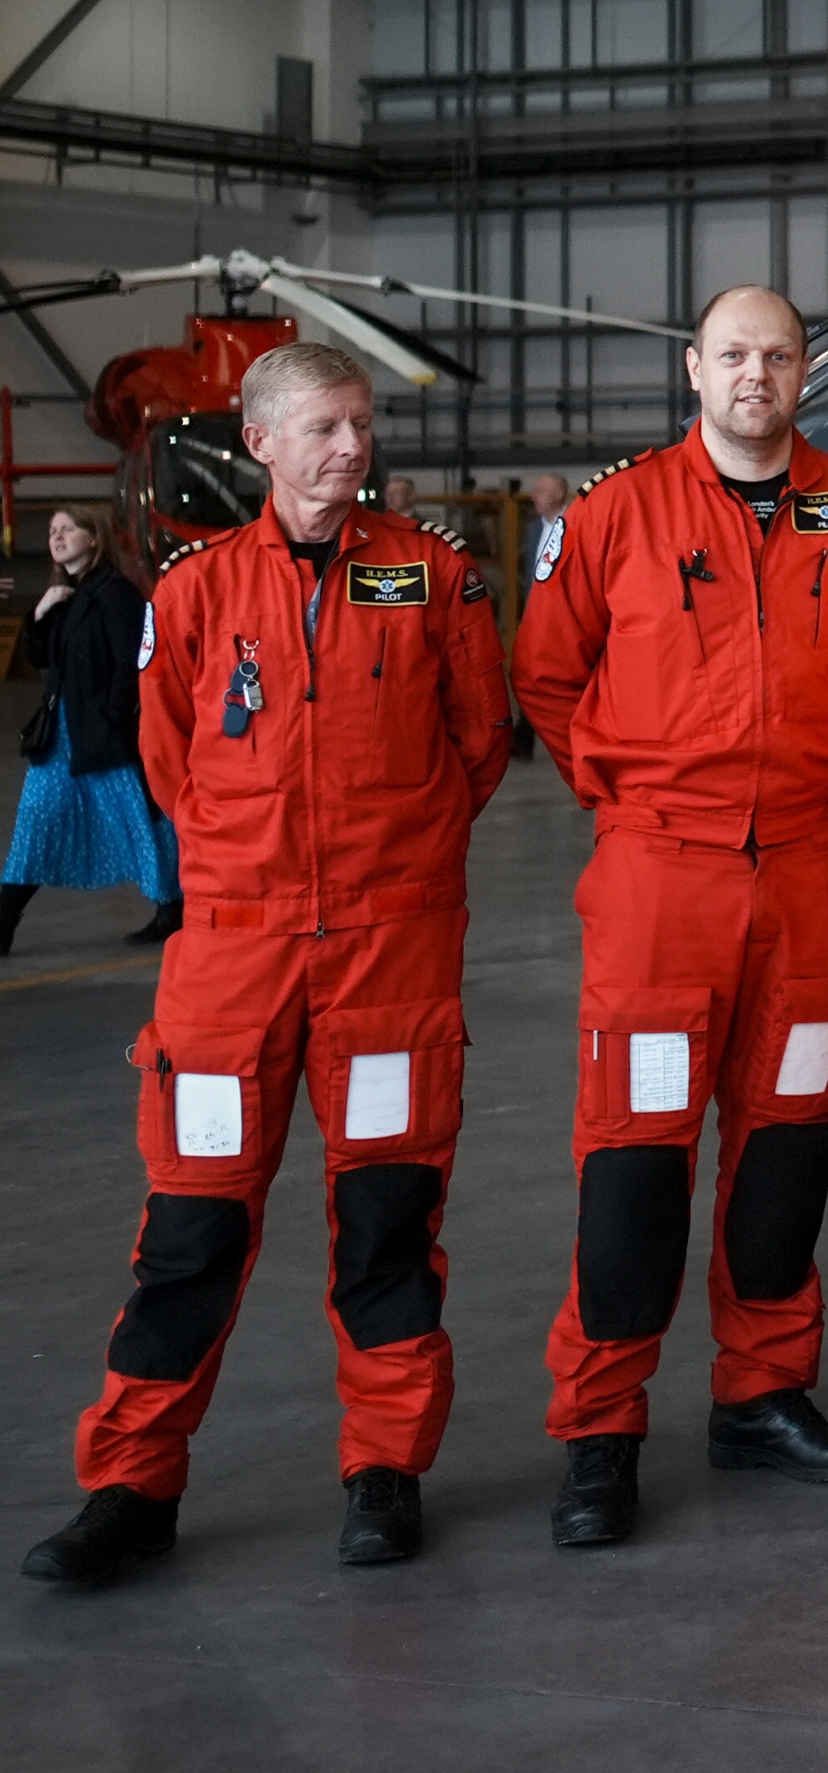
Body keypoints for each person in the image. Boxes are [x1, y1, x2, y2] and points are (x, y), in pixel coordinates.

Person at [21, 344, 510, 1586]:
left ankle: (384, 1471)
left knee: (386, 1227)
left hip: (391, 957)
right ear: (262, 445)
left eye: (361, 425)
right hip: (229, 963)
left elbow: (477, 745)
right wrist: (256, 876)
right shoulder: (189, 597)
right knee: (188, 1232)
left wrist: (383, 858)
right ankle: (129, 1485)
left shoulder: (433, 575)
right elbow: (172, 762)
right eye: (325, 428)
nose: (350, 447)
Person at [513, 287, 828, 1548]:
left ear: (803, 370)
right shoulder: (616, 515)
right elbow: (549, 676)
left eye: (776, 354)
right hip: (660, 887)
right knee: (634, 1157)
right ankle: (602, 1427)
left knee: (788, 1143)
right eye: (733, 353)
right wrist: (630, 802)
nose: (755, 374)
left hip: (806, 880)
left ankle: (762, 1393)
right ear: (693, 368)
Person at [2, 505, 181, 954]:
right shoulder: (66, 594)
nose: (57, 537)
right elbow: (42, 660)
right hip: (61, 736)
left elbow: (132, 662)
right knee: (36, 821)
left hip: (104, 734)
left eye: (67, 529)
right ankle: (3, 920)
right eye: (51, 531)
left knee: (141, 820)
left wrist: (115, 716)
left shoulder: (115, 593)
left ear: (94, 538)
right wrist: (40, 613)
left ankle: (173, 909)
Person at [509, 471, 572, 760]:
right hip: (536, 614)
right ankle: (524, 737)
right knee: (528, 674)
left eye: (541, 491)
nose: (533, 496)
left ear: (558, 495)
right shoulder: (533, 529)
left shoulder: (577, 524)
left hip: (567, 618)